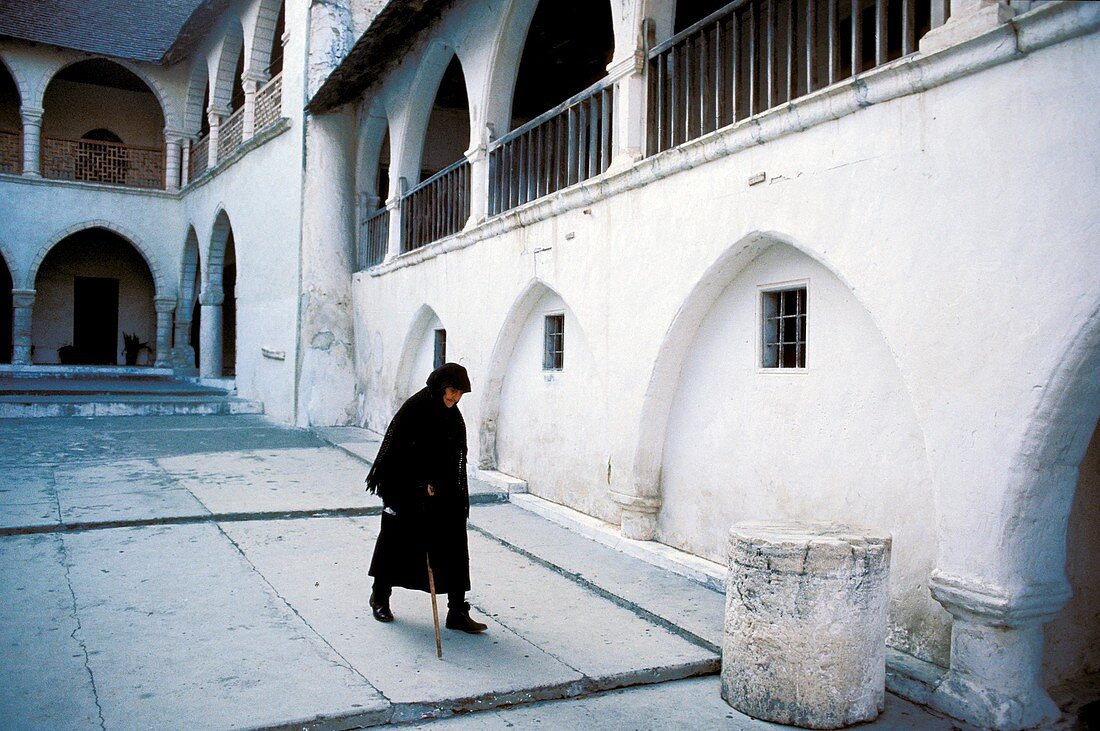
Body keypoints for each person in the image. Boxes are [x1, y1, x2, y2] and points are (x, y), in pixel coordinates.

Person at [365, 362, 487, 633]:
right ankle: (380, 597)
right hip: (404, 490)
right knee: (395, 544)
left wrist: (444, 487)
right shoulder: (415, 409)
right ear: (441, 386)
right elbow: (397, 453)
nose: (454, 398)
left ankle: (457, 612)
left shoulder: (453, 416)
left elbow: (456, 457)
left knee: (455, 546)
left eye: (459, 394)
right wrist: (420, 483)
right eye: (452, 391)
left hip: (443, 493)